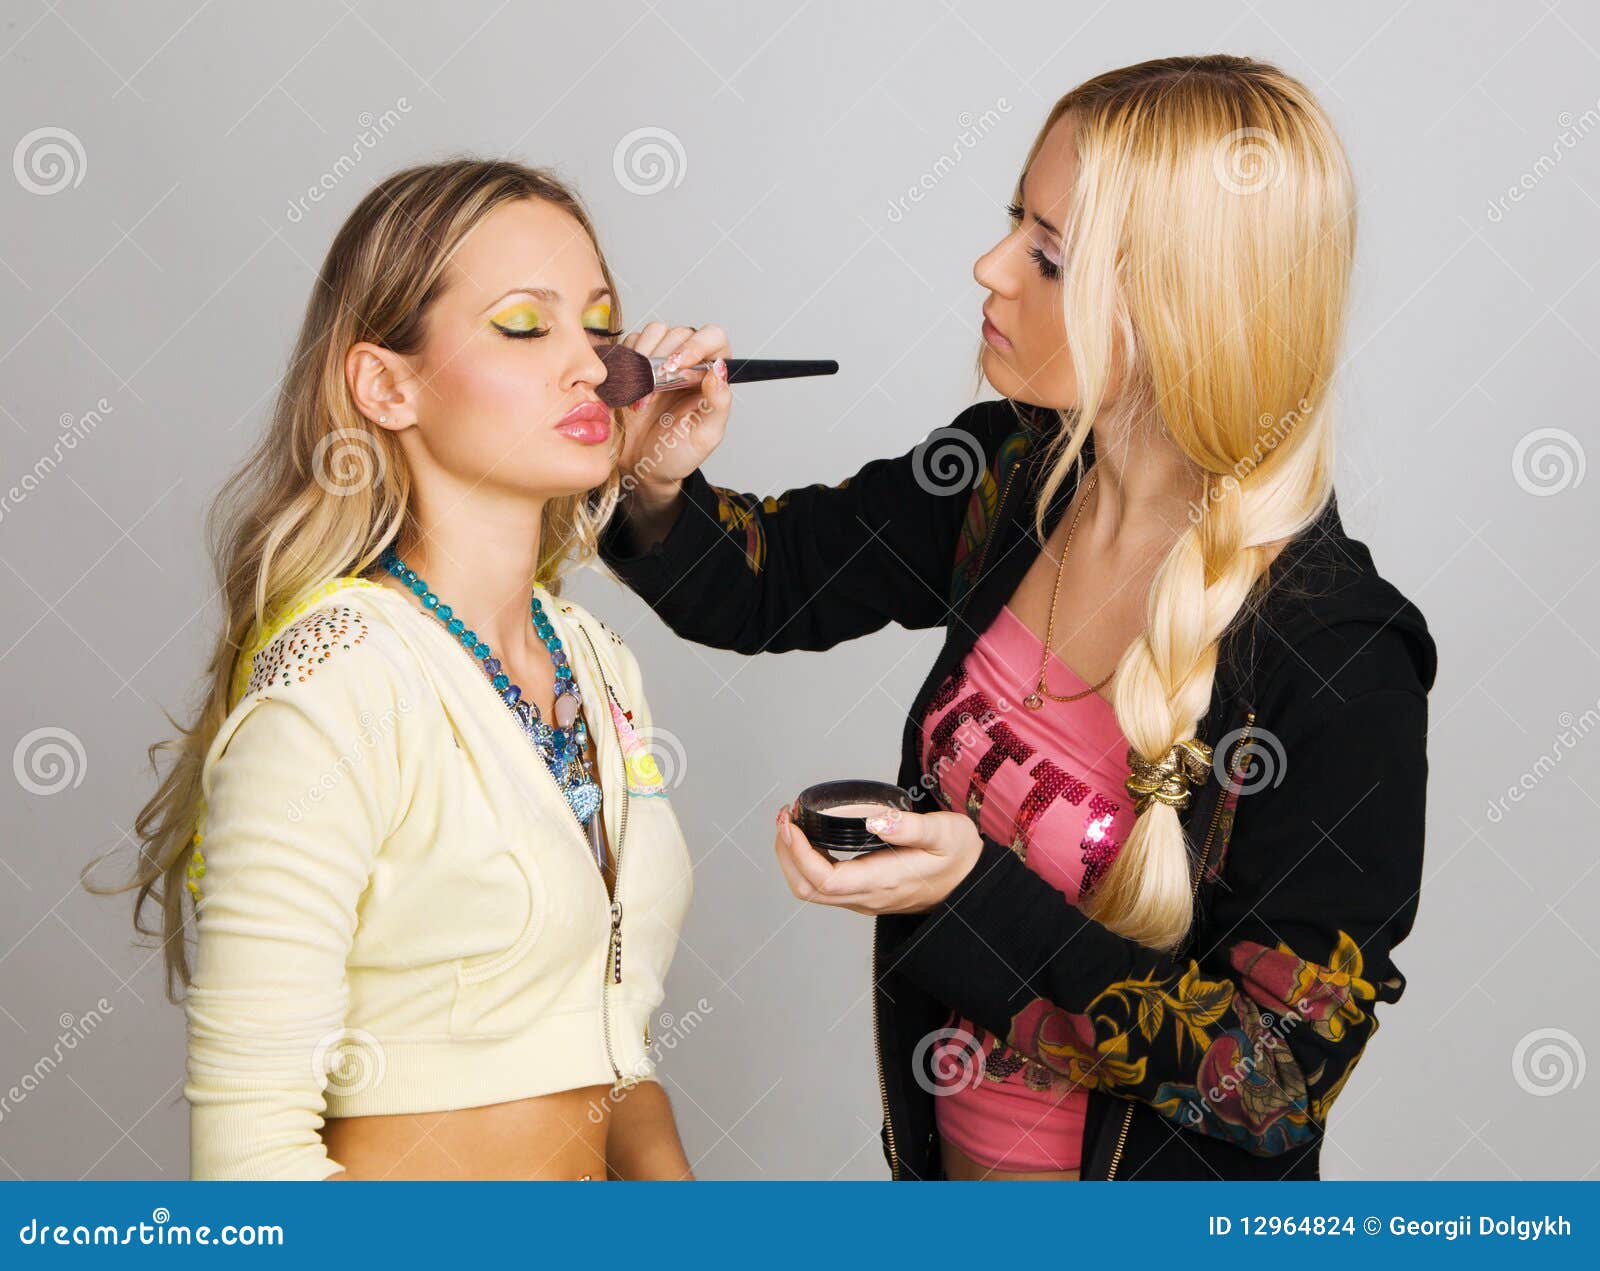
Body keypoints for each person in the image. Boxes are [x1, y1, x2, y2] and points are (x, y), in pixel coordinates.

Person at [596, 55, 1437, 1180]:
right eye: (1012, 222)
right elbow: (767, 582)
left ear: (1183, 303)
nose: (988, 267)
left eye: (1048, 254)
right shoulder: (1005, 473)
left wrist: (963, 890)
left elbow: (1271, 1076)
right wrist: (655, 475)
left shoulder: (1340, 656)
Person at [101, 158, 732, 1180]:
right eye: (527, 325)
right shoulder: (338, 680)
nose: (594, 366)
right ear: (385, 384)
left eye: (601, 323)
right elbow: (250, 1157)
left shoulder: (592, 660)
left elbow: (612, 1041)